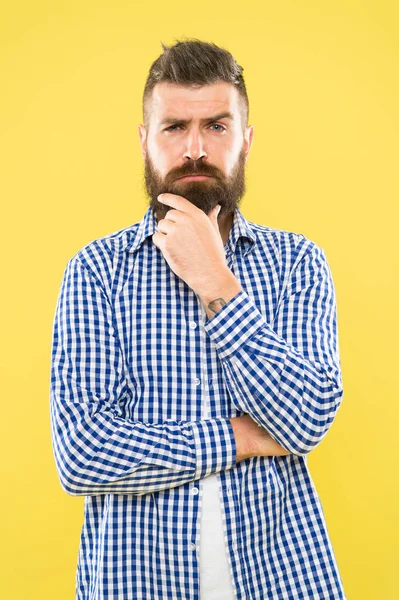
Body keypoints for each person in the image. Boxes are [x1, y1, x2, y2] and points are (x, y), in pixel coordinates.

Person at [50, 39, 347, 600]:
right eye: (173, 127)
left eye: (216, 125)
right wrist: (240, 436)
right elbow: (82, 453)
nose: (194, 148)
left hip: (283, 580)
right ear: (144, 142)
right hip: (136, 581)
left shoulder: (297, 263)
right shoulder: (95, 272)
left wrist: (216, 283)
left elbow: (307, 419)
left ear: (246, 140)